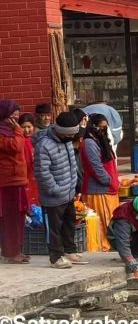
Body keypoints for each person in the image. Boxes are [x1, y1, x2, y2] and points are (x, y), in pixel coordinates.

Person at [34, 111, 82, 269]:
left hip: (68, 193)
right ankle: (55, 257)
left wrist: (73, 185)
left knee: (68, 223)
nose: (72, 138)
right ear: (62, 132)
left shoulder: (66, 141)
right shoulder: (44, 145)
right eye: (70, 134)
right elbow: (42, 173)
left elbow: (72, 165)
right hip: (53, 196)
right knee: (54, 228)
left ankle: (69, 250)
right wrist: (55, 189)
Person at [80, 114, 120, 248]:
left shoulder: (101, 140)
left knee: (110, 222)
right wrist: (108, 180)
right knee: (102, 225)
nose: (102, 129)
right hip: (98, 190)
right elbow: (95, 166)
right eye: (100, 126)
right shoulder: (89, 143)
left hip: (109, 188)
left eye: (104, 127)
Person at [0, 101, 30, 264]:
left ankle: (16, 250)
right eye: (13, 117)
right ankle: (10, 253)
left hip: (18, 180)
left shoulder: (12, 131)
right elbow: (16, 147)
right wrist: (18, 131)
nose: (15, 120)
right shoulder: (5, 133)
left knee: (19, 217)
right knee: (10, 219)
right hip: (7, 182)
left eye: (17, 117)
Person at [17, 113, 39, 205]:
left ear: (33, 127)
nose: (26, 130)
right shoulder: (22, 141)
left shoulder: (33, 140)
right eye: (23, 127)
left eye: (29, 127)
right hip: (26, 175)